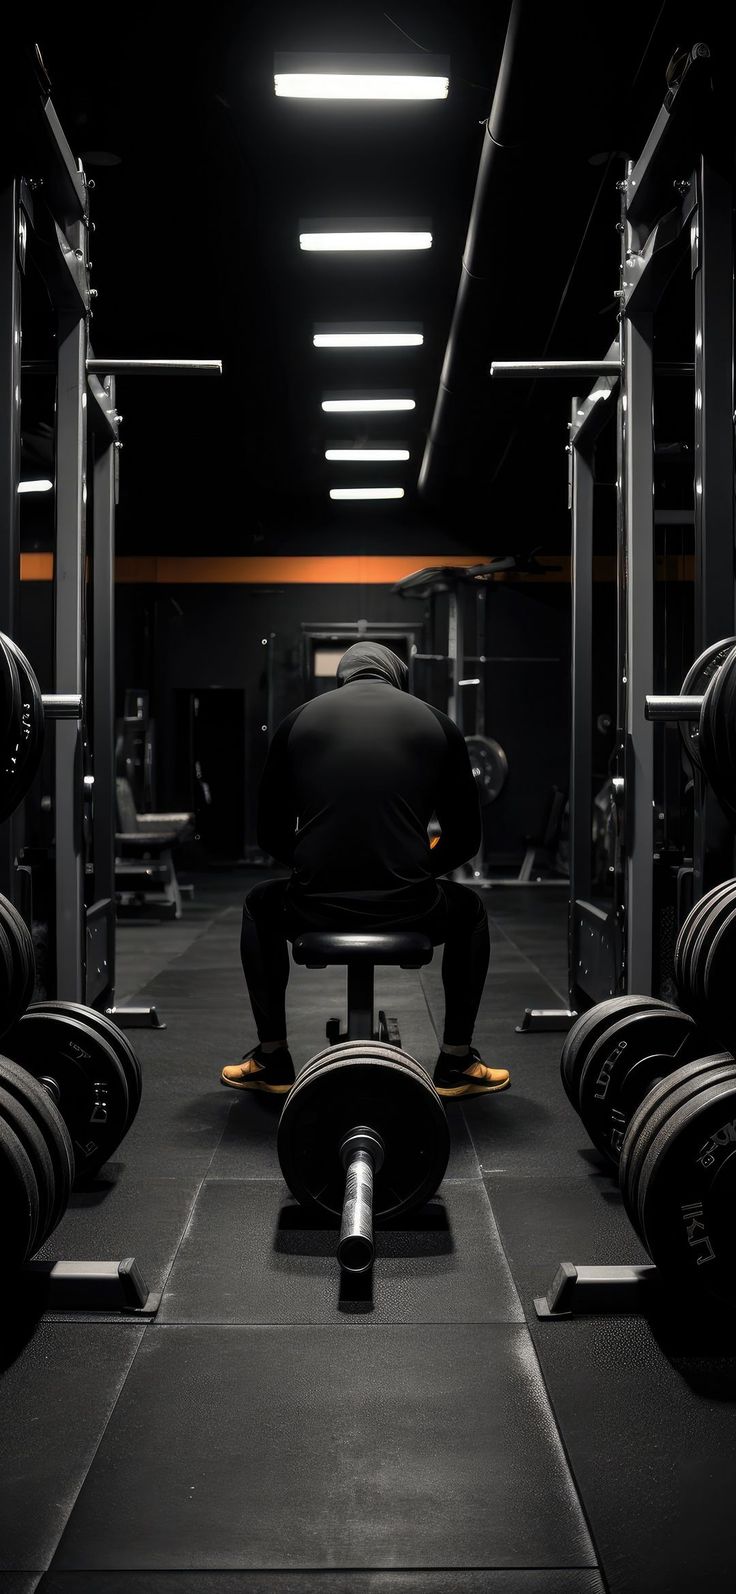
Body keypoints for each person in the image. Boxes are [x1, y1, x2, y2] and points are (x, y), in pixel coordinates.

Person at [221, 641, 510, 1100]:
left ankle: (273, 1058)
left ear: (343, 678)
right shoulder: (438, 723)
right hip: (410, 906)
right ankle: (456, 1060)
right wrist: (417, 871)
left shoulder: (296, 721)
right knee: (470, 909)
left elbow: (270, 834)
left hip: (314, 905)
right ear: (396, 678)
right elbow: (465, 841)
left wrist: (313, 868)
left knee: (260, 903)